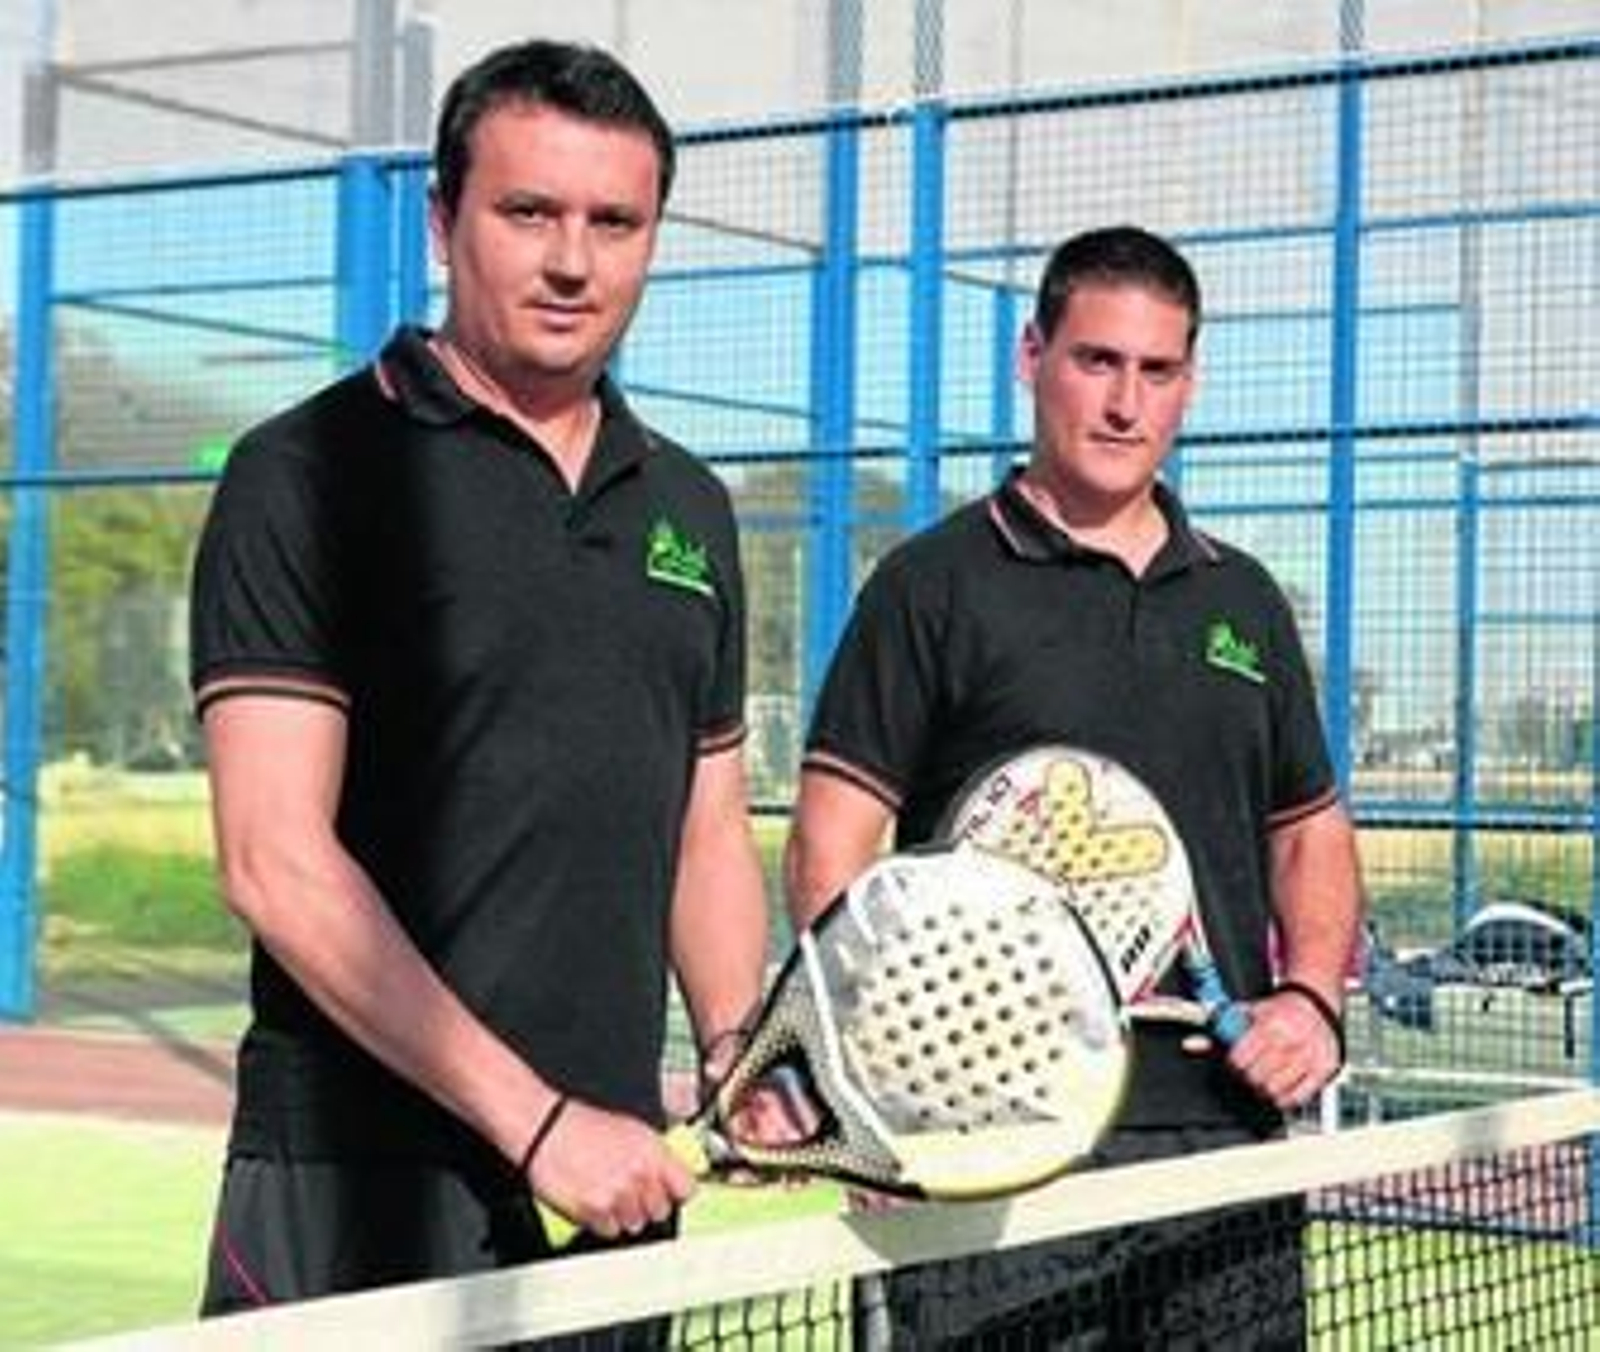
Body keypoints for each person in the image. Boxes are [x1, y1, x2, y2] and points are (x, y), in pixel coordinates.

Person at [189, 39, 769, 1317]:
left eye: (614, 223)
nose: (572, 260)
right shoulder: (306, 472)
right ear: (444, 219)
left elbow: (708, 828)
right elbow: (271, 857)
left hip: (612, 1188)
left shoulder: (690, 505)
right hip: (353, 1184)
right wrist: (535, 1119)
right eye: (528, 212)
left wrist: (737, 1043)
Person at [785, 224, 1364, 1347]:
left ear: (1189, 382)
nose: (1125, 403)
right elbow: (830, 848)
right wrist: (867, 1084)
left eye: (1157, 370)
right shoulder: (929, 586)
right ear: (1032, 356)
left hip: (1220, 1147)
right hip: (992, 1145)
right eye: (1097, 360)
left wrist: (1311, 999)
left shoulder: (1244, 603)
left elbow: (1310, 833)